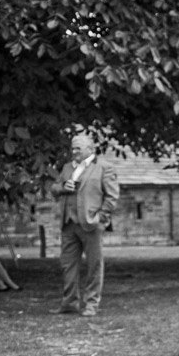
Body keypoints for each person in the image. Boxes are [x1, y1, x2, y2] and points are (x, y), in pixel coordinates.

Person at [52, 133, 118, 317]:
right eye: (72, 148)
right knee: (67, 265)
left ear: (90, 149)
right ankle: (69, 303)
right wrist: (64, 186)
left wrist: (100, 219)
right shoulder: (66, 168)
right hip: (68, 224)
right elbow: (54, 188)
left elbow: (112, 197)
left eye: (77, 148)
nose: (73, 152)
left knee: (94, 265)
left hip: (91, 224)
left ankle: (91, 305)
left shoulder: (104, 167)